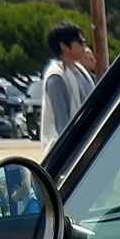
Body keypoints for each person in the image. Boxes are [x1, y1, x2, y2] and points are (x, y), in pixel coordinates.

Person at [38, 22, 97, 152]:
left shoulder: (81, 71)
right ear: (64, 46)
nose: (84, 46)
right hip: (68, 151)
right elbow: (62, 122)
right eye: (79, 42)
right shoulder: (56, 76)